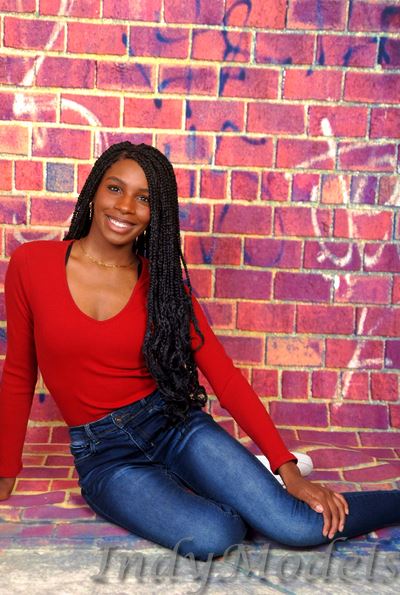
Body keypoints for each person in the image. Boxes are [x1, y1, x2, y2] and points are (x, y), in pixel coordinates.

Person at [0, 141, 398, 562]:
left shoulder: (164, 285)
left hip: (174, 427)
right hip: (107, 456)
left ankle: (283, 487)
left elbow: (224, 377)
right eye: (115, 188)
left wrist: (289, 470)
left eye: (144, 198)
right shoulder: (32, 264)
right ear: (95, 190)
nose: (125, 207)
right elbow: (19, 375)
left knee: (295, 526)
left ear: (157, 213)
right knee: (215, 535)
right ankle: (252, 487)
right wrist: (5, 472)